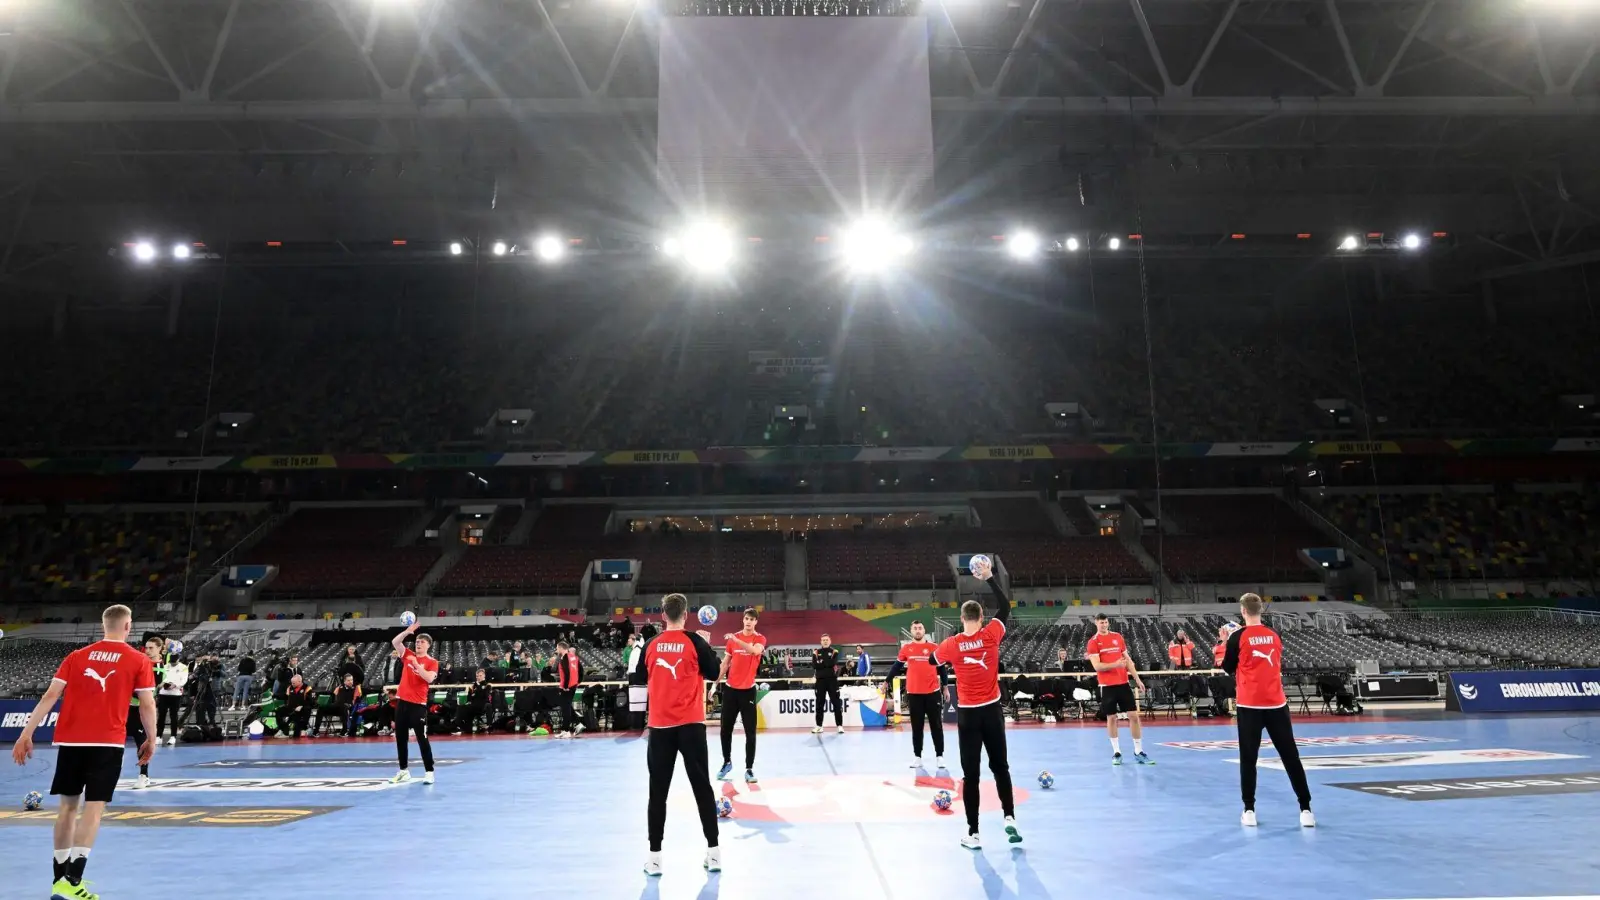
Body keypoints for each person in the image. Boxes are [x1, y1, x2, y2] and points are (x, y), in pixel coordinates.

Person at [10, 604, 157, 900]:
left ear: (105, 625)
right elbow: (147, 704)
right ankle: (73, 881)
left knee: (66, 808)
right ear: (128, 626)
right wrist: (151, 738)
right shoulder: (138, 660)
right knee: (94, 808)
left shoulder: (76, 656)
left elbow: (50, 695)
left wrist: (26, 733)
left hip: (71, 741)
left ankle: (59, 881)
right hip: (107, 742)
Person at [930, 556, 1021, 849]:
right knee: (1001, 768)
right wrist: (990, 578)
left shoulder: (952, 645)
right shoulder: (992, 634)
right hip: (992, 712)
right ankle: (1009, 818)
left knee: (971, 775)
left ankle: (973, 833)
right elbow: (1006, 607)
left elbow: (934, 660)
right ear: (981, 617)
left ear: (961, 619)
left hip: (968, 716)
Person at [642, 593, 723, 877]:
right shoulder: (696, 641)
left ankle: (654, 859)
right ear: (686, 614)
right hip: (691, 726)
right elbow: (714, 673)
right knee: (702, 788)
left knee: (657, 793)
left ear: (663, 615)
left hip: (660, 728)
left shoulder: (651, 645)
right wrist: (707, 646)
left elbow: (642, 679)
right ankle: (714, 854)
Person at [1223, 594, 1315, 828]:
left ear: (1243, 611)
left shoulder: (1238, 636)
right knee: (1290, 757)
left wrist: (1226, 642)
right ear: (1260, 610)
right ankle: (1306, 809)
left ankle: (1249, 810)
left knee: (1248, 759)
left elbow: (1227, 668)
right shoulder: (1275, 635)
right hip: (1276, 704)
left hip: (1250, 705)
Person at [1085, 613, 1152, 766]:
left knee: (1133, 716)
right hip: (1107, 685)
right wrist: (1116, 664)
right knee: (1112, 718)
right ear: (1096, 623)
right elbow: (1097, 666)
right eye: (1101, 623)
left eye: (1106, 622)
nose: (1104, 625)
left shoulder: (1117, 637)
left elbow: (1127, 660)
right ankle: (1116, 752)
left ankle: (1138, 751)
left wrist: (1137, 679)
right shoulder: (1093, 642)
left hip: (1123, 683)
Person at [716, 609, 766, 783]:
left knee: (750, 732)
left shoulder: (760, 639)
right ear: (743, 620)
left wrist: (737, 640)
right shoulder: (732, 640)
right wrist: (715, 684)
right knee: (725, 730)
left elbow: (754, 651)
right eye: (746, 619)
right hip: (730, 690)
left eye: (752, 619)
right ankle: (727, 762)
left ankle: (749, 769)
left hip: (748, 692)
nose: (748, 622)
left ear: (756, 622)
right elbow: (725, 664)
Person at [889, 619, 947, 769]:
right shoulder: (906, 649)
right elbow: (896, 667)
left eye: (920, 628)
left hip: (932, 693)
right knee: (917, 727)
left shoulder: (934, 647)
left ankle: (939, 756)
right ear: (911, 631)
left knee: (936, 726)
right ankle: (917, 757)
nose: (918, 630)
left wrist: (945, 687)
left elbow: (942, 669)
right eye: (915, 628)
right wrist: (885, 681)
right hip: (914, 694)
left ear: (924, 630)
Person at [389, 621, 439, 784]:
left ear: (428, 645)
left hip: (418, 705)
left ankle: (429, 772)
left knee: (421, 738)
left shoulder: (432, 662)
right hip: (402, 702)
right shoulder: (408, 655)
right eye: (417, 641)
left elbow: (429, 678)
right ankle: (404, 771)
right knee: (400, 738)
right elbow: (395, 643)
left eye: (422, 642)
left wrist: (418, 666)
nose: (418, 644)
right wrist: (406, 632)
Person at [128, 635, 164, 789]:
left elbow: (145, 691)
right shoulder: (140, 662)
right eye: (146, 648)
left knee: (141, 743)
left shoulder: (160, 667)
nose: (147, 651)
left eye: (151, 648)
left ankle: (144, 775)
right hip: (125, 707)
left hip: (141, 709)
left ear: (159, 649)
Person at [810, 634, 843, 734]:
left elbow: (832, 663)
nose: (825, 641)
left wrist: (822, 663)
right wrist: (825, 663)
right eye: (823, 640)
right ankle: (819, 726)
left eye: (826, 640)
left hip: (832, 681)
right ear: (820, 642)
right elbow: (815, 665)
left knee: (836, 703)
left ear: (830, 641)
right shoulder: (816, 652)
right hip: (820, 681)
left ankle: (839, 725)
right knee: (819, 703)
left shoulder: (834, 652)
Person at [554, 641, 585, 737]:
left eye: (557, 648)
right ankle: (577, 724)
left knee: (565, 708)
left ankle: (566, 731)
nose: (556, 649)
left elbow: (567, 673)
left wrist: (566, 686)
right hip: (573, 685)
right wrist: (578, 682)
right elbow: (581, 670)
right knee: (567, 706)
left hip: (567, 687)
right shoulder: (574, 657)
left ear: (561, 648)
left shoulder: (564, 658)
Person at [456, 669, 493, 734]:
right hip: (473, 705)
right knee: (460, 707)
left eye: (480, 676)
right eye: (477, 676)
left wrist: (478, 688)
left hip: (482, 705)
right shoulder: (472, 686)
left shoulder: (488, 685)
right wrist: (475, 691)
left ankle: (457, 725)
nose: (478, 677)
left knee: (463, 708)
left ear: (484, 676)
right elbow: (469, 698)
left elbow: (485, 695)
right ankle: (460, 726)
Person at [277, 674, 314, 739]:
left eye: (294, 683)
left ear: (299, 681)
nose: (292, 684)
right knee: (278, 711)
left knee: (296, 734)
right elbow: (285, 696)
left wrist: (302, 706)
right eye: (291, 682)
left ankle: (302, 730)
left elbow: (311, 701)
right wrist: (274, 695)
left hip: (302, 709)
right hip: (290, 708)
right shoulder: (290, 687)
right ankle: (285, 730)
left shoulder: (307, 688)